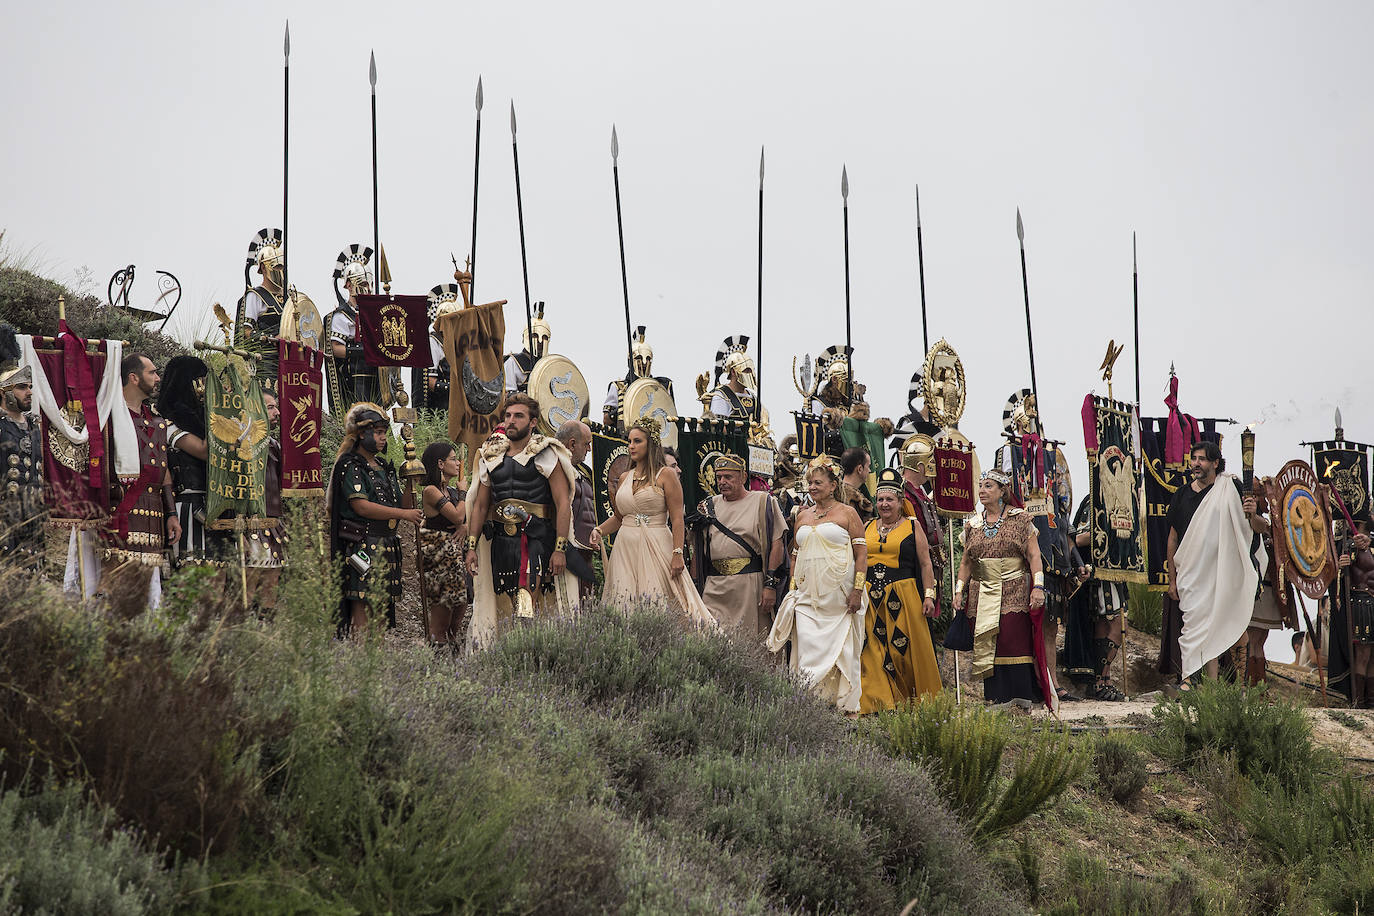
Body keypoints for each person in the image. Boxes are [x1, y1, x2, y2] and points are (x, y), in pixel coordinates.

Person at [466, 393, 579, 644]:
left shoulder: (546, 453)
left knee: (527, 608)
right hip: (501, 543)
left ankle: (528, 665)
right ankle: (509, 668)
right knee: (504, 608)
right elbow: (481, 505)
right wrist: (471, 547)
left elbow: (562, 503)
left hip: (536, 540)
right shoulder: (491, 456)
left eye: (518, 416)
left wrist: (560, 549)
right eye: (507, 416)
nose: (511, 421)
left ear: (533, 422)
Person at [766, 455, 868, 713]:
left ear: (833, 485)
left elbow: (862, 555)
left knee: (842, 652)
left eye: (818, 482)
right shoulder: (802, 516)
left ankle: (842, 707)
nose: (812, 487)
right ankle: (809, 707)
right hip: (807, 597)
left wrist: (857, 590)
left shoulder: (848, 514)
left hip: (840, 597)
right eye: (810, 482)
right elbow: (795, 553)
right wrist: (791, 592)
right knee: (807, 651)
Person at [591, 416, 715, 626]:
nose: (631, 446)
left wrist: (677, 553)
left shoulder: (666, 475)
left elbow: (677, 519)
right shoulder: (624, 478)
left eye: (637, 441)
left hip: (658, 545)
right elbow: (620, 517)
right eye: (629, 441)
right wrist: (599, 530)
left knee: (660, 602)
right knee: (624, 605)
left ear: (651, 444)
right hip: (625, 548)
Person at [953, 469, 1054, 710]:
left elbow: (1034, 555)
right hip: (982, 591)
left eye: (988, 486)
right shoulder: (973, 525)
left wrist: (1038, 586)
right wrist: (959, 591)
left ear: (1002, 492)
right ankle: (995, 700)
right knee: (989, 644)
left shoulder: (1020, 520)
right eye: (980, 486)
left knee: (1012, 640)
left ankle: (1020, 700)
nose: (982, 491)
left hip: (1014, 589)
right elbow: (966, 562)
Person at [1165, 441, 1264, 683]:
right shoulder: (1182, 495)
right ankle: (1200, 683)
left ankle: (1240, 685)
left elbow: (1261, 528)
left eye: (1202, 459)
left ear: (1215, 463)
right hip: (1192, 572)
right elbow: (1173, 539)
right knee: (1194, 628)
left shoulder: (1231, 488)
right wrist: (1172, 580)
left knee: (1232, 624)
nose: (1196, 464)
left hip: (1224, 571)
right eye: (1194, 458)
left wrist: (1252, 513)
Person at [328, 402, 419, 636]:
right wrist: (403, 515)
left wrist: (410, 479)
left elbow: (404, 504)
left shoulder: (383, 467)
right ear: (361, 434)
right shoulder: (350, 465)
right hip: (363, 546)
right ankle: (360, 661)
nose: (382, 439)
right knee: (363, 603)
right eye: (378, 433)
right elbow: (362, 507)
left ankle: (375, 662)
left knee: (381, 607)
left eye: (384, 434)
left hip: (387, 544)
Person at [101, 354, 182, 613]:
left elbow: (164, 469)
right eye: (152, 373)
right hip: (119, 512)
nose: (158, 378)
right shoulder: (110, 416)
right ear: (134, 378)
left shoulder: (157, 422)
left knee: (143, 591)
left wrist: (171, 512)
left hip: (154, 514)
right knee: (116, 590)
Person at [860, 468, 942, 712]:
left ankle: (909, 701)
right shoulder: (867, 526)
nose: (884, 504)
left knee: (902, 650)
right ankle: (879, 703)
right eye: (881, 499)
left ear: (900, 501)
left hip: (903, 597)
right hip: (871, 599)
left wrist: (928, 595)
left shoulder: (912, 526)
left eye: (890, 500)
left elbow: (926, 563)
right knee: (873, 650)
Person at [695, 453, 786, 635]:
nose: (722, 482)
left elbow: (778, 544)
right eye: (719, 477)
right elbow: (698, 549)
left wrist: (770, 585)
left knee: (750, 639)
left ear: (743, 477)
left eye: (728, 477)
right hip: (715, 586)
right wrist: (696, 585)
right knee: (710, 636)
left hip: (749, 586)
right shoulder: (708, 506)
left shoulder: (763, 501)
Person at [157, 355, 227, 567]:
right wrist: (217, 410)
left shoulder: (200, 416)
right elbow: (205, 451)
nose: (204, 387)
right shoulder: (166, 424)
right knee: (195, 572)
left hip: (216, 504)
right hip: (188, 505)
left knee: (220, 573)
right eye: (200, 380)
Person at [1067, 496, 1126, 700]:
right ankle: (1099, 682)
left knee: (1107, 623)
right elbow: (1079, 537)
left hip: (1115, 569)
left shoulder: (1122, 497)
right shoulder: (1094, 499)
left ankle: (1104, 680)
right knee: (1113, 623)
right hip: (1099, 571)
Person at [419, 441, 470, 647]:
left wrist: (465, 527)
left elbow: (465, 520)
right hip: (439, 560)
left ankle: (452, 659)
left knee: (458, 611)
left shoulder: (450, 491)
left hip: (454, 558)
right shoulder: (431, 491)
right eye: (453, 459)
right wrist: (463, 492)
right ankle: (436, 664)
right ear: (440, 464)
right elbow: (458, 516)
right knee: (441, 617)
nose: (458, 463)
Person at [0, 327, 43, 570]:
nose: (29, 392)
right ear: (3, 392)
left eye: (29, 386)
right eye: (22, 387)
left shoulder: (33, 425)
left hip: (32, 520)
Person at [324, 244, 380, 411]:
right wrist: (364, 351)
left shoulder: (374, 316)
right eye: (363, 283)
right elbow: (334, 348)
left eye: (370, 283)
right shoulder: (342, 316)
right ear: (348, 284)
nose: (368, 288)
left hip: (375, 377)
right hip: (354, 378)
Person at [242, 390, 284, 611]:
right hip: (251, 522)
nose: (277, 412)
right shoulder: (240, 443)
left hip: (274, 521)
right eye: (270, 407)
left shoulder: (274, 444)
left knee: (272, 583)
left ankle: (266, 636)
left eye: (275, 406)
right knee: (248, 585)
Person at [555, 419, 598, 601]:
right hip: (566, 553)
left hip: (586, 552)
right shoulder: (553, 468)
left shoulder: (585, 472)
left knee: (585, 607)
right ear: (572, 444)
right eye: (586, 444)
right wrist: (559, 549)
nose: (589, 449)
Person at [1339, 524, 1374, 706]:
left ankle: (1371, 700)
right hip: (1361, 601)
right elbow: (1336, 567)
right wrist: (1341, 563)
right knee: (1363, 654)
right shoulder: (1351, 542)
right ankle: (1359, 701)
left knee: (1372, 655)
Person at [698, 335, 761, 421]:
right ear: (733, 372)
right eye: (745, 371)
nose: (748, 374)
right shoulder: (721, 395)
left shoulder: (753, 397)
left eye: (750, 371)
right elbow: (719, 428)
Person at [503, 302, 551, 394]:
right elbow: (508, 393)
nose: (540, 341)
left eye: (544, 337)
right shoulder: (513, 362)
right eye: (535, 336)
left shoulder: (549, 364)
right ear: (526, 337)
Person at [840, 446, 873, 522]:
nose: (869, 470)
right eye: (868, 466)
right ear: (860, 469)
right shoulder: (849, 499)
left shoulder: (834, 493)